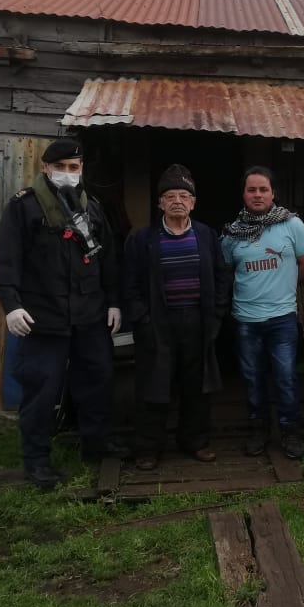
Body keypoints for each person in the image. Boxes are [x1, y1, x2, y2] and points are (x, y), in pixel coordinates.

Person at [0, 138, 124, 488]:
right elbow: (7, 260)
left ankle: (94, 443)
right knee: (41, 389)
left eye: (74, 168)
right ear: (46, 169)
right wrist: (12, 305)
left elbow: (108, 257)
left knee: (97, 381)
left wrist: (113, 301)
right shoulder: (24, 208)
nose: (68, 174)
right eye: (61, 167)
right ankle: (36, 459)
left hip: (90, 316)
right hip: (44, 317)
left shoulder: (91, 207)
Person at [123, 165, 231, 469]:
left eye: (184, 195)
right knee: (153, 385)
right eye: (170, 196)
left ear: (193, 203)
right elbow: (129, 285)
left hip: (197, 322)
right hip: (158, 322)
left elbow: (222, 277)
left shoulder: (207, 236)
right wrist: (142, 318)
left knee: (196, 385)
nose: (177, 201)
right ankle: (148, 447)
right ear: (160, 204)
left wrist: (217, 313)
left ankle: (194, 441)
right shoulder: (143, 239)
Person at [221, 166, 304, 459]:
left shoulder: (292, 225)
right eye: (252, 189)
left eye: (263, 189)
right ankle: (258, 429)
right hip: (245, 319)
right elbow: (226, 271)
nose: (258, 194)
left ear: (273, 193)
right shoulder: (231, 234)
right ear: (244, 194)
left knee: (285, 376)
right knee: (252, 377)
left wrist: (285, 285)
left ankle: (290, 431)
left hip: (282, 318)